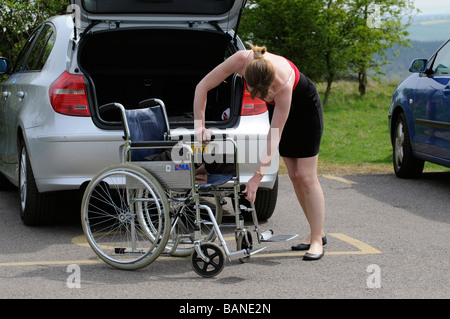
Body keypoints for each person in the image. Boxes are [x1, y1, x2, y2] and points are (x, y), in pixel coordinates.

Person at [193, 44, 326, 261]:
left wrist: (257, 177)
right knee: (294, 175)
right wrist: (200, 124)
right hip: (281, 111)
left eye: (269, 92)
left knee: (306, 175)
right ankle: (314, 231)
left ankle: (318, 239)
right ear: (245, 77)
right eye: (264, 95)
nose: (268, 96)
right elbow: (202, 86)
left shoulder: (282, 83)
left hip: (304, 110)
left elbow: (274, 137)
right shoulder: (239, 60)